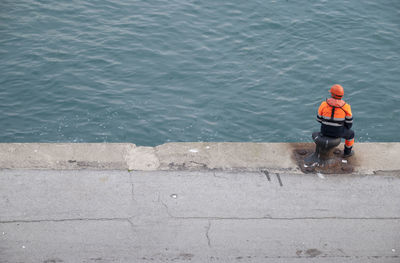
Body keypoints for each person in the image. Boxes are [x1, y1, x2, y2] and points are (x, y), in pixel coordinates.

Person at [316, 84, 354, 157]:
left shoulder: (323, 104)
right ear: (342, 95)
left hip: (324, 131)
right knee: (351, 134)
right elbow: (349, 124)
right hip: (338, 132)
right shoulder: (346, 107)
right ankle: (347, 152)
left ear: (332, 94)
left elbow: (319, 119)